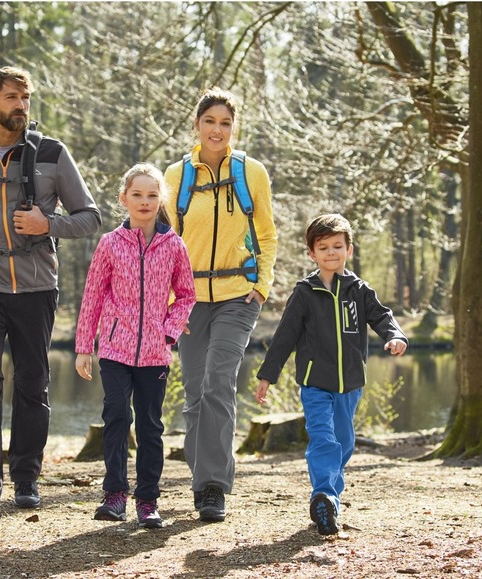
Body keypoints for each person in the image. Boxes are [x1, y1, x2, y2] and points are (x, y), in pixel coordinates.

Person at [0, 66, 101, 520]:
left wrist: (48, 224)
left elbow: (90, 216)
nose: (21, 106)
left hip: (36, 288)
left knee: (33, 385)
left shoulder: (52, 152)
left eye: (26, 98)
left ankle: (26, 479)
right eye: (12, 97)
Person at [163, 87, 277, 522]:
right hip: (188, 300)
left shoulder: (252, 172)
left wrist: (261, 285)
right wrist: (170, 300)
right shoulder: (174, 176)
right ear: (197, 125)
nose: (217, 130)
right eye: (210, 121)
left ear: (234, 128)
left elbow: (266, 235)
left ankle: (212, 487)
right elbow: (165, 243)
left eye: (225, 123)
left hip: (238, 296)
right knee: (195, 391)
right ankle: (203, 476)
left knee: (218, 381)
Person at [255, 213, 408, 535]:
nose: (331, 253)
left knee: (345, 442)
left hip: (351, 382)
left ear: (349, 250)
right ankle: (323, 494)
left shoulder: (359, 290)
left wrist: (394, 336)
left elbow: (382, 317)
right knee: (324, 439)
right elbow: (284, 337)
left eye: (337, 246)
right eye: (323, 247)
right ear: (312, 253)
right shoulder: (305, 292)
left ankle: (330, 503)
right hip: (315, 383)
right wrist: (267, 375)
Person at [74, 163, 196, 528]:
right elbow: (92, 296)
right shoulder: (110, 244)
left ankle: (147, 500)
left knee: (149, 425)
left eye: (152, 195)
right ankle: (114, 495)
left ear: (161, 200)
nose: (144, 201)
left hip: (155, 353)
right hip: (114, 349)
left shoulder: (174, 245)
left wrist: (168, 332)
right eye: (137, 195)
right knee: (115, 416)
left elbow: (187, 296)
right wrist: (84, 346)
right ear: (123, 199)